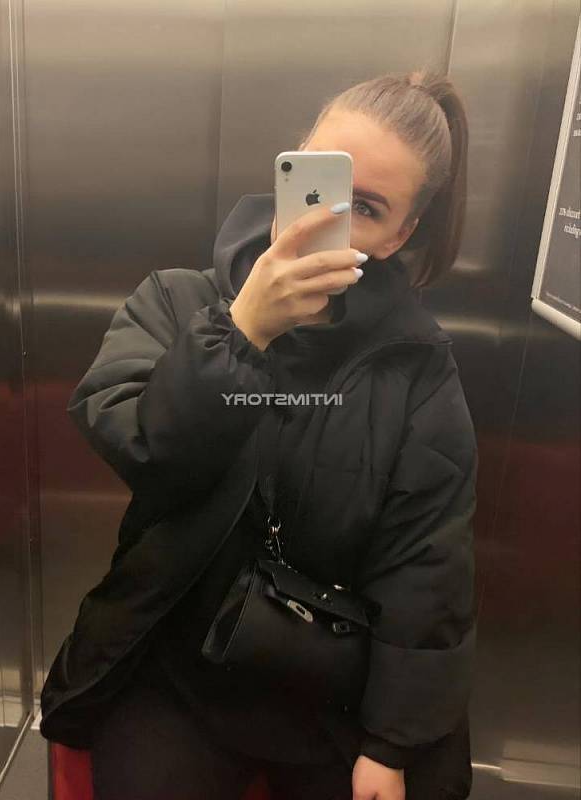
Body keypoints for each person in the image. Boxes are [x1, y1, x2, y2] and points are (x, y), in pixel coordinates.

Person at [40, 68, 478, 800]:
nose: (326, 220)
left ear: (401, 234)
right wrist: (240, 333)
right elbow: (148, 456)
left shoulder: (416, 368)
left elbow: (426, 562)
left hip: (331, 682)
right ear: (289, 164)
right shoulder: (176, 303)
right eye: (320, 182)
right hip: (180, 668)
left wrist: (391, 744)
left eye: (366, 208)